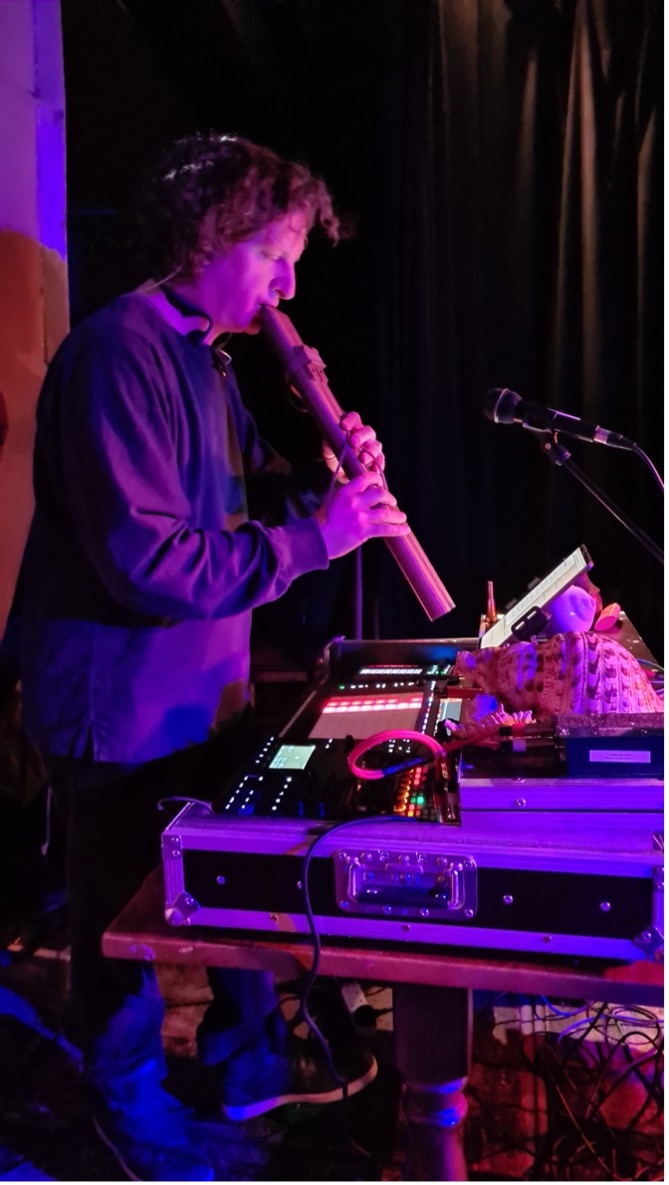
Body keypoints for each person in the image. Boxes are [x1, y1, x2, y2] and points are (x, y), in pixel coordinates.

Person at [19, 132, 410, 1181]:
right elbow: (148, 561)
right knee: (120, 920)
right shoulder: (117, 352)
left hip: (198, 691)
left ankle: (244, 1063)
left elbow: (243, 508)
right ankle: (127, 1109)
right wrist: (313, 538)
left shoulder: (206, 359)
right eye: (275, 255)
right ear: (208, 235)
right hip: (116, 700)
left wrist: (329, 489)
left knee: (224, 886)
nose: (289, 284)